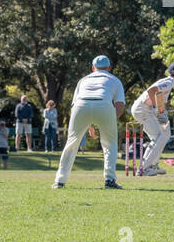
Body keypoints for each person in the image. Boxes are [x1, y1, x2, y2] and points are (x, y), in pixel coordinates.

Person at [52, 55, 125, 190]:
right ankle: (109, 180)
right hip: (104, 104)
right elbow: (120, 105)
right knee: (110, 144)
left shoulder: (83, 80)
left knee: (72, 143)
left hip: (81, 105)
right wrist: (109, 123)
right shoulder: (115, 80)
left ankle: (59, 181)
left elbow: (76, 104)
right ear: (109, 68)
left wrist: (89, 125)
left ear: (93, 68)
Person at [130, 62, 174, 177]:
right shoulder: (169, 82)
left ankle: (153, 164)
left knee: (166, 133)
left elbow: (157, 95)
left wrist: (160, 110)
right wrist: (155, 107)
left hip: (152, 109)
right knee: (157, 136)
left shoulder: (169, 82)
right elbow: (151, 91)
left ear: (169, 72)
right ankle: (143, 168)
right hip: (143, 109)